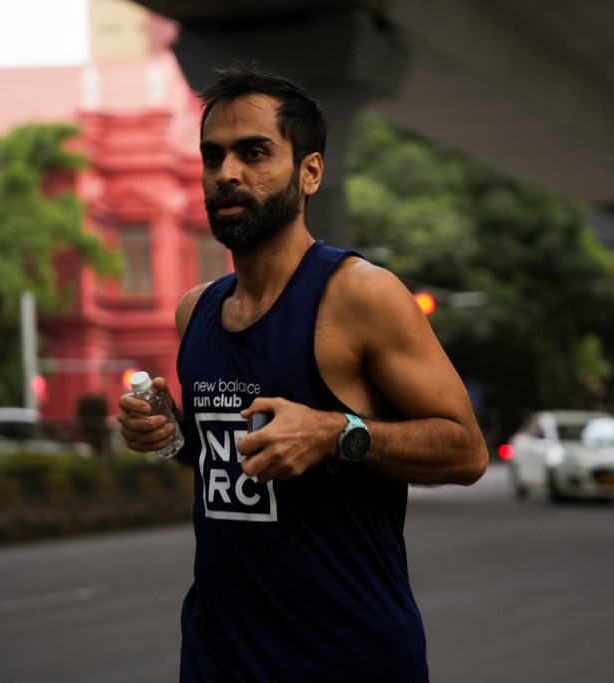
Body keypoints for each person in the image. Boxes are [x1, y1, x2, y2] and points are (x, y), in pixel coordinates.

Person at [117, 65, 488, 682]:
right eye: (213, 157)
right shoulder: (197, 311)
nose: (227, 173)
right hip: (218, 655)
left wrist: (334, 432)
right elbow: (228, 460)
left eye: (254, 152)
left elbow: (466, 450)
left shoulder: (360, 295)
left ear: (309, 171)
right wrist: (171, 435)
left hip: (348, 657)